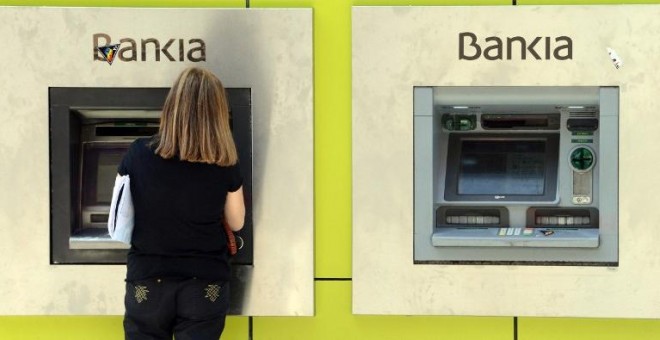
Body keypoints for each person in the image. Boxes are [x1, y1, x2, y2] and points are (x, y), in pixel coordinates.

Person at [119, 67, 245, 340]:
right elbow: (237, 222)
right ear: (218, 113)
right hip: (204, 284)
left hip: (148, 281)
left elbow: (121, 215)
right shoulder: (225, 160)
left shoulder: (138, 152)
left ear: (172, 106)